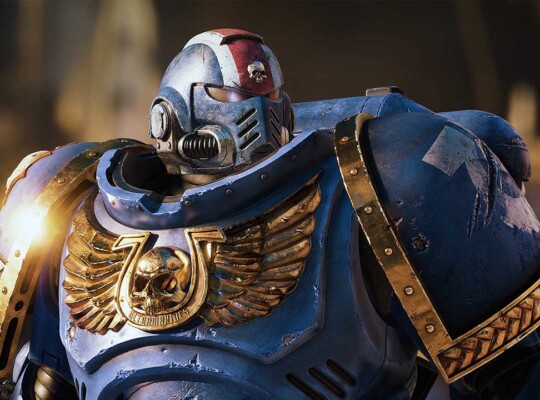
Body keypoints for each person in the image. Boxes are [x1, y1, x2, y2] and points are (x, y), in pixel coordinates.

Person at [1, 29, 539, 400]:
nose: (254, 118)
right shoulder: (63, 198)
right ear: (169, 116)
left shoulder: (386, 178)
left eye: (265, 97)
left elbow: (516, 368)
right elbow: (38, 376)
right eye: (226, 98)